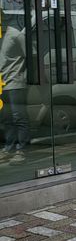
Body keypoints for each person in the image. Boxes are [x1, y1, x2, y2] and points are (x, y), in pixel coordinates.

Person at [0, 14, 29, 165]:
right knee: (6, 118)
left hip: (15, 82)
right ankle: (8, 148)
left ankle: (21, 150)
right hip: (2, 83)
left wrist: (26, 77)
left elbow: (31, 55)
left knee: (19, 116)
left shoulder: (15, 35)